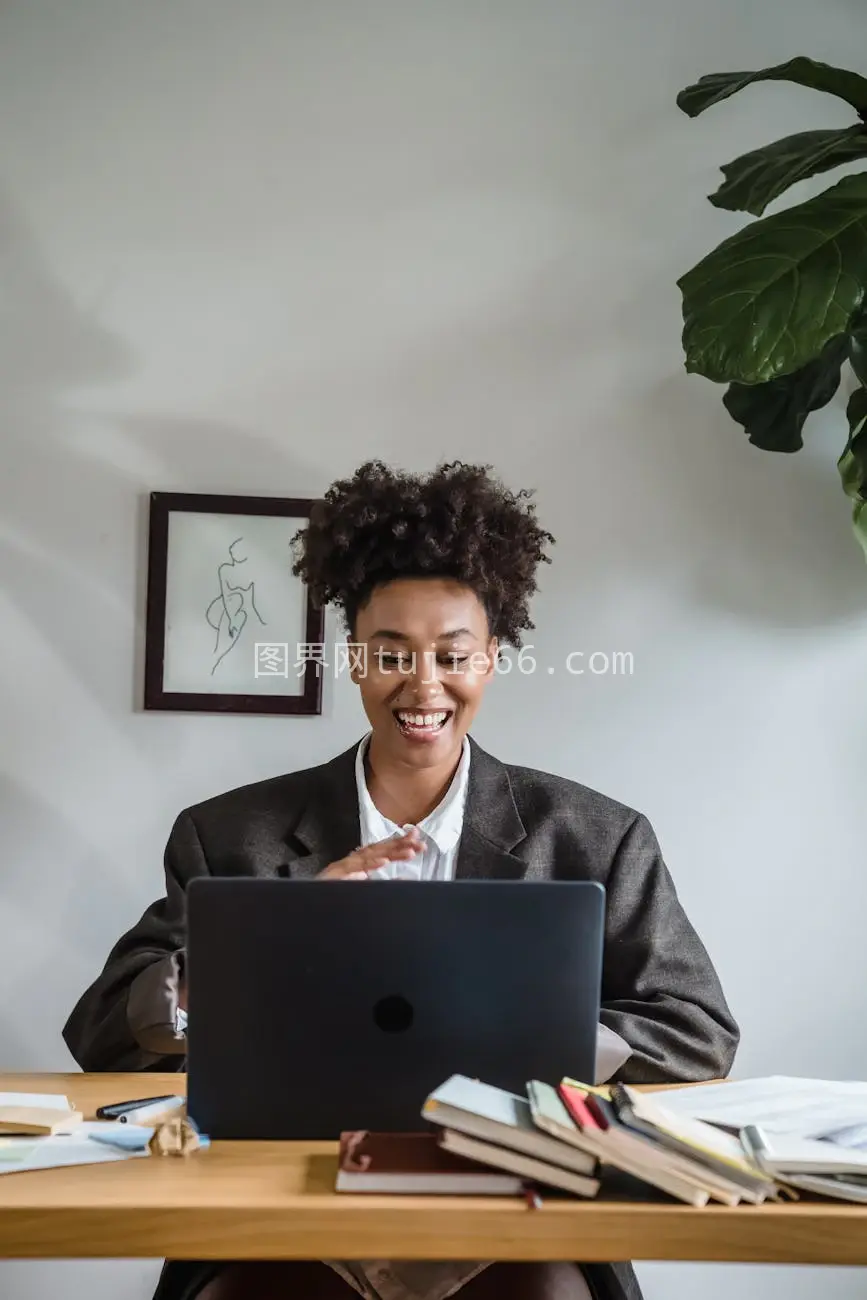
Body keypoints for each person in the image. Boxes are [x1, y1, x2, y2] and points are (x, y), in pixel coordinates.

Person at [64, 460, 739, 1300]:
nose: (422, 685)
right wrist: (277, 938)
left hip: (521, 1212)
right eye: (391, 654)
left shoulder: (596, 837)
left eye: (452, 655)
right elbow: (103, 1034)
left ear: (491, 660)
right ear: (353, 658)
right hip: (282, 1216)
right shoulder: (229, 834)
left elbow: (698, 1032)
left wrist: (543, 1034)